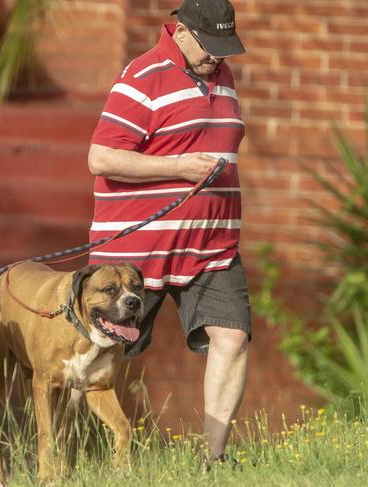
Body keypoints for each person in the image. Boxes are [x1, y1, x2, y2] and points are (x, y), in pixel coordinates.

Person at [87, 0, 250, 463]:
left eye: (224, 47)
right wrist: (175, 166)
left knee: (232, 336)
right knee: (100, 355)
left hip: (211, 247)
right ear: (181, 31)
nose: (217, 56)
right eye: (210, 46)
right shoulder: (142, 77)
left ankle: (212, 461)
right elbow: (101, 157)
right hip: (136, 252)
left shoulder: (220, 75)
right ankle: (74, 457)